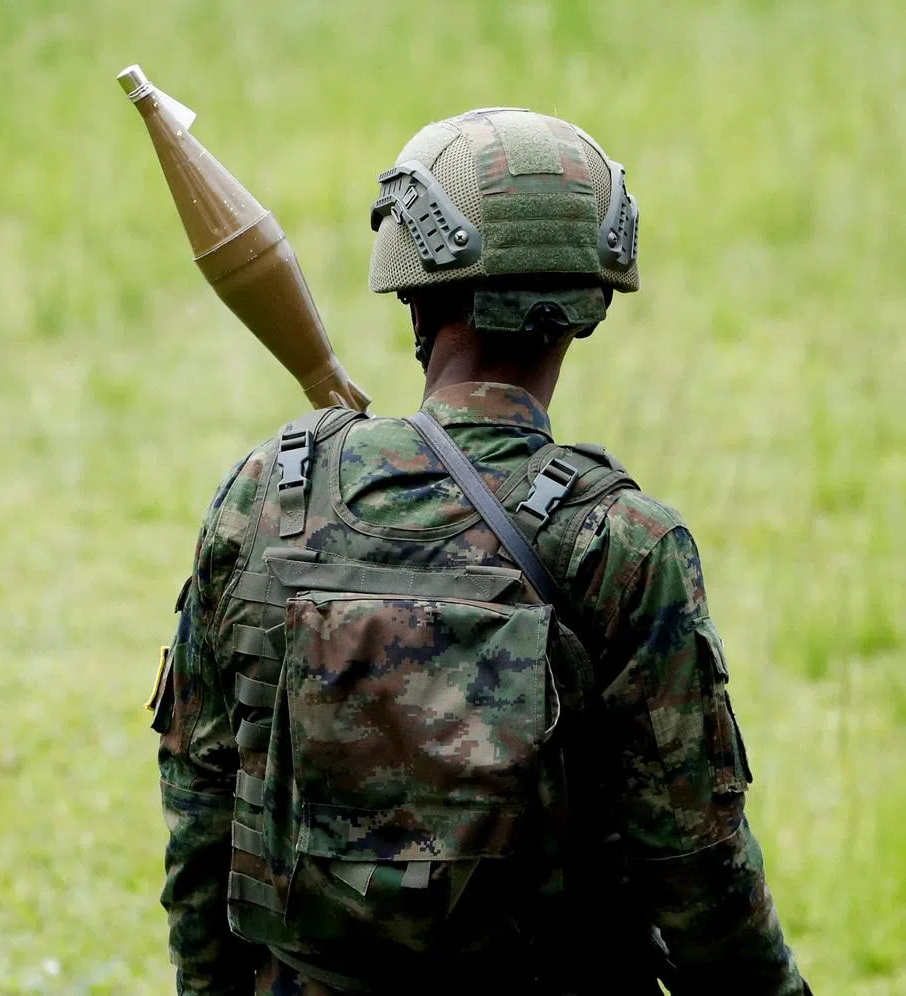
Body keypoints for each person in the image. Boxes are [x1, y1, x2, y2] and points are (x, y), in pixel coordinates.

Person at [150, 108, 810, 995]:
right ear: (590, 304)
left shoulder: (267, 498)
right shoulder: (623, 547)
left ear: (413, 292)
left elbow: (202, 813)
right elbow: (701, 876)